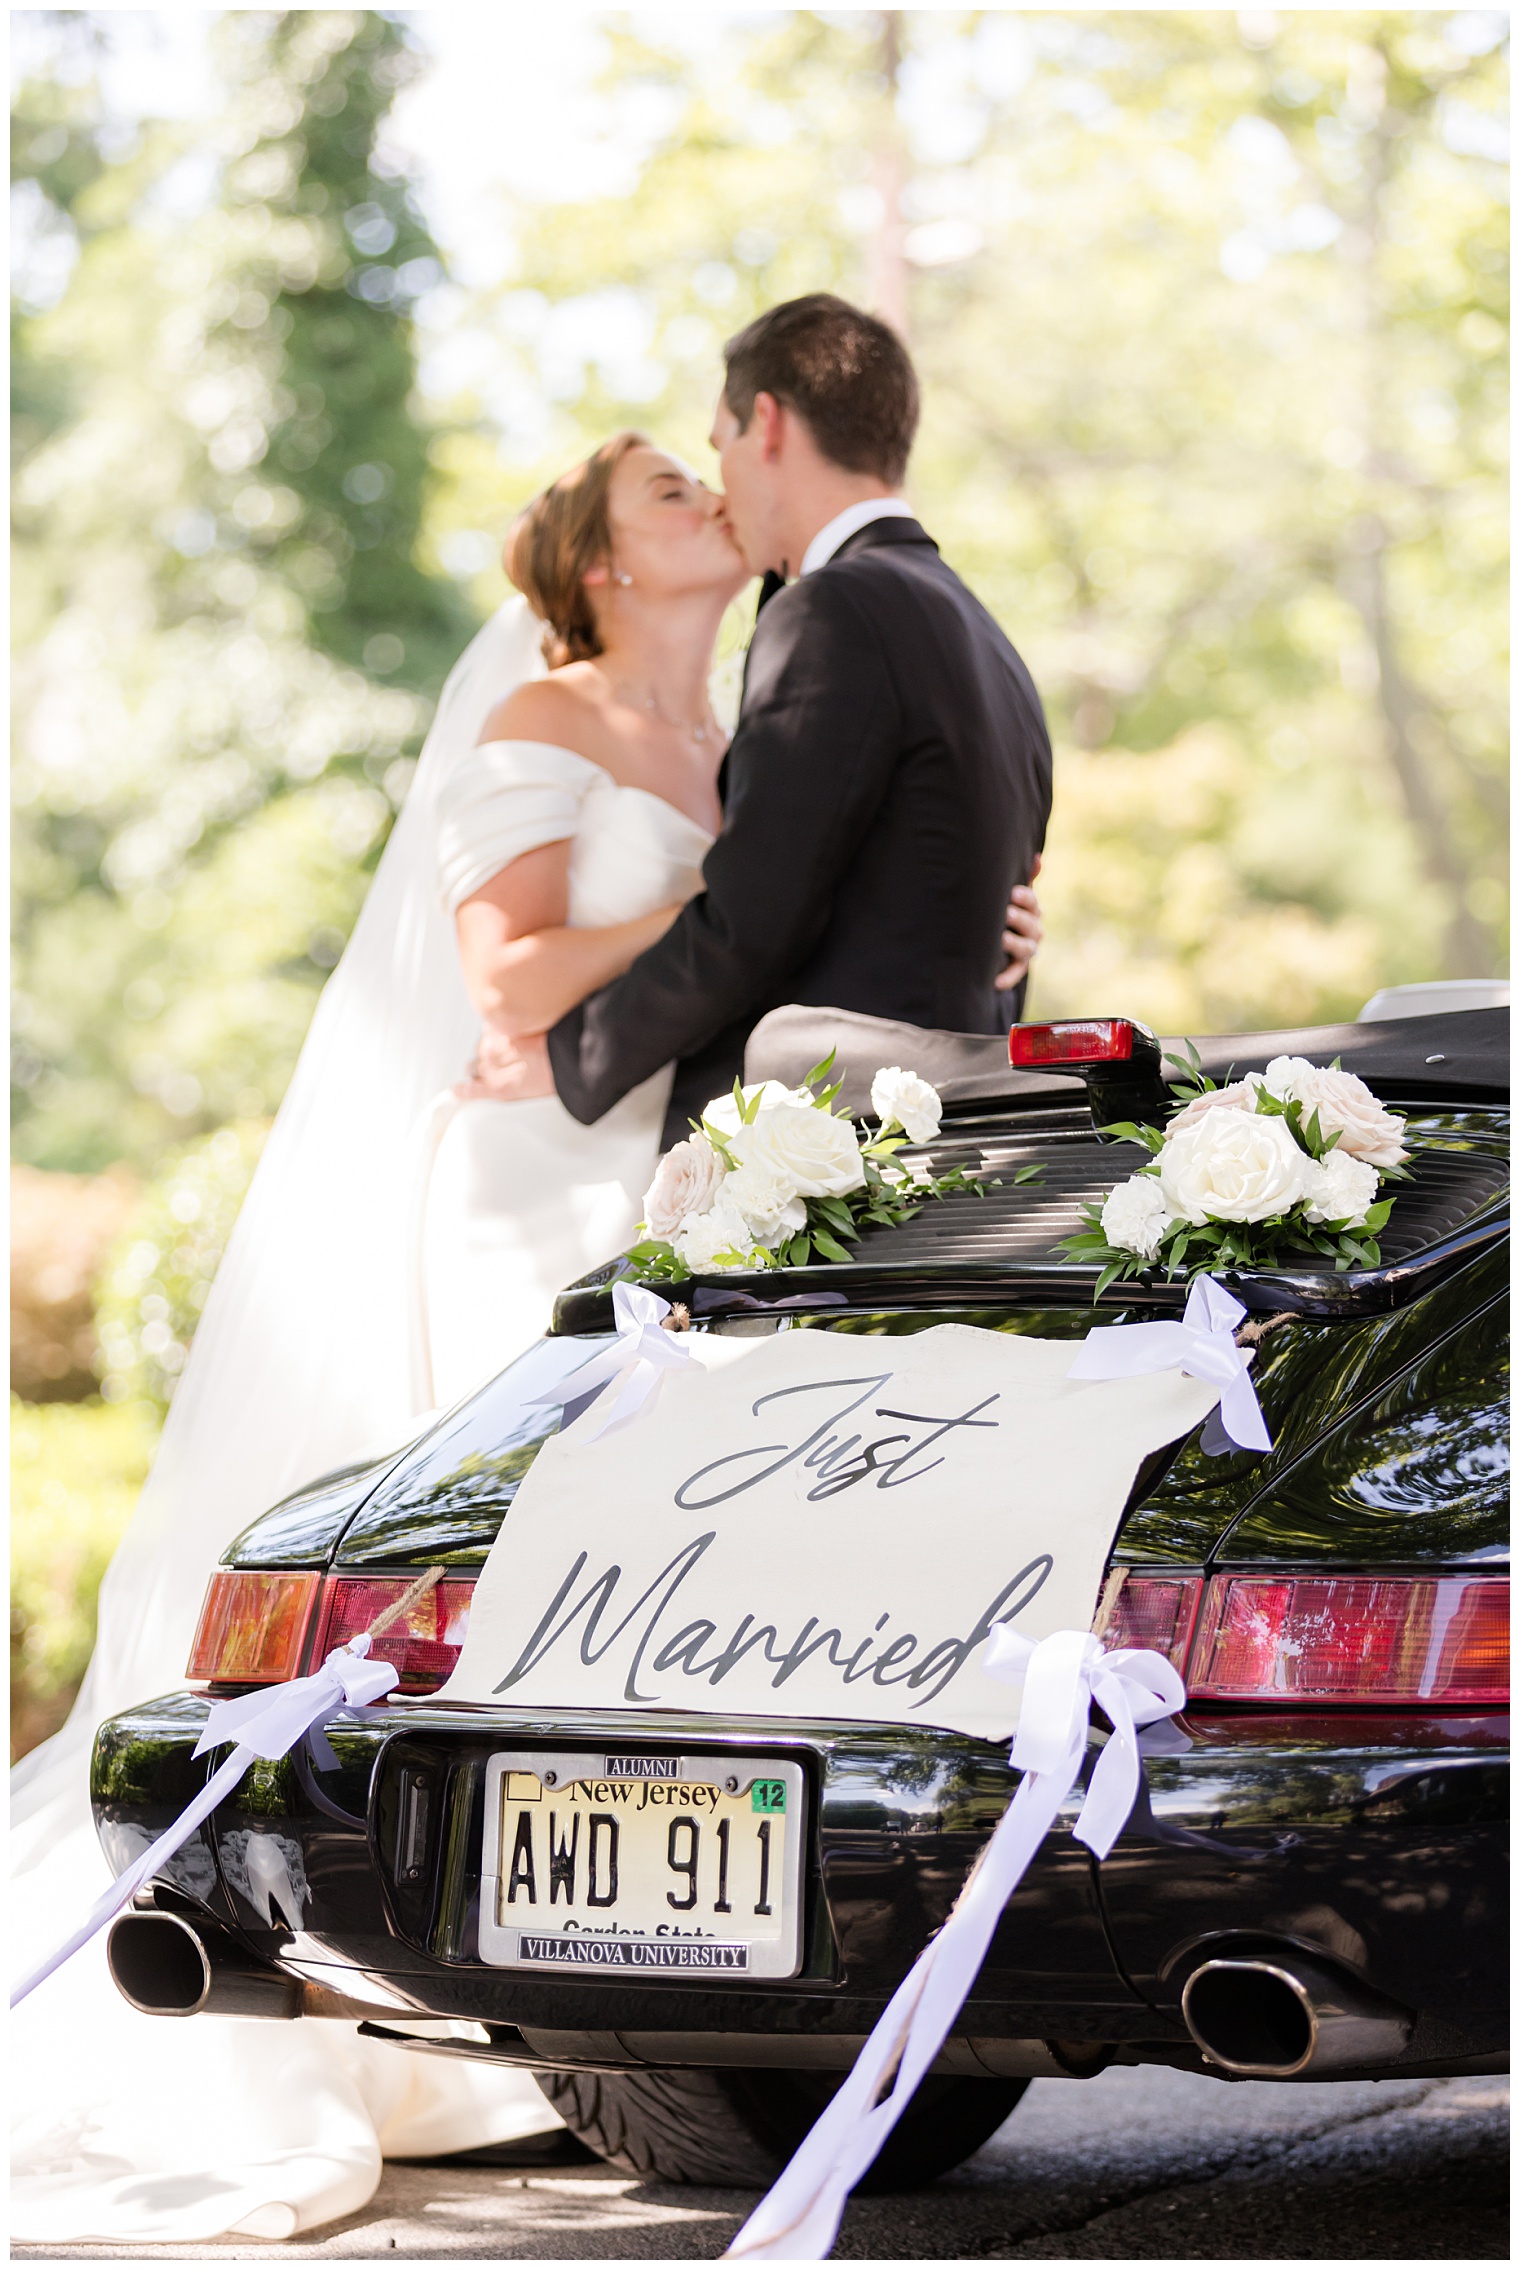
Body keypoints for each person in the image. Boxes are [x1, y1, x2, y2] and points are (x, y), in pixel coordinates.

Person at [12, 317, 1046, 2244]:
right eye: (665, 488)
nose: (706, 495)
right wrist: (738, 918)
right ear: (596, 559)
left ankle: (600, 1993)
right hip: (544, 1159)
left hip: (686, 1157)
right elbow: (501, 983)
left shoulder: (757, 699)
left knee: (647, 1585)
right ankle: (400, 1960)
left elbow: (828, 871)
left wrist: (915, 916)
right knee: (498, 1559)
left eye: (706, 462)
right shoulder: (547, 719)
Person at [494, 294, 1053, 1143]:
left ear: (768, 423)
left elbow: (753, 917)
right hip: (945, 1129)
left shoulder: (831, 612)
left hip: (833, 1143)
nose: (721, 492)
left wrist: (570, 1057)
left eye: (720, 451)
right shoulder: (987, 636)